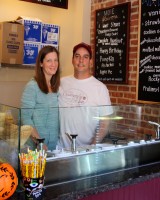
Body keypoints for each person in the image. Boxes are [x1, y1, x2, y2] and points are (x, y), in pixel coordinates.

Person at [58, 42, 113, 149]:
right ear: (72, 60)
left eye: (85, 57)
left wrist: (91, 147)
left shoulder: (100, 88)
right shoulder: (61, 82)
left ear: (91, 62)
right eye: (77, 56)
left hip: (86, 150)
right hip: (61, 149)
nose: (81, 60)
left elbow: (105, 123)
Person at [21, 45, 60, 151]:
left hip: (52, 146)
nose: (53, 64)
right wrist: (39, 142)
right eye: (49, 61)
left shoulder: (56, 87)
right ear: (41, 63)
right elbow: (25, 118)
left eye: (56, 60)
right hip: (36, 148)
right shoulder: (32, 86)